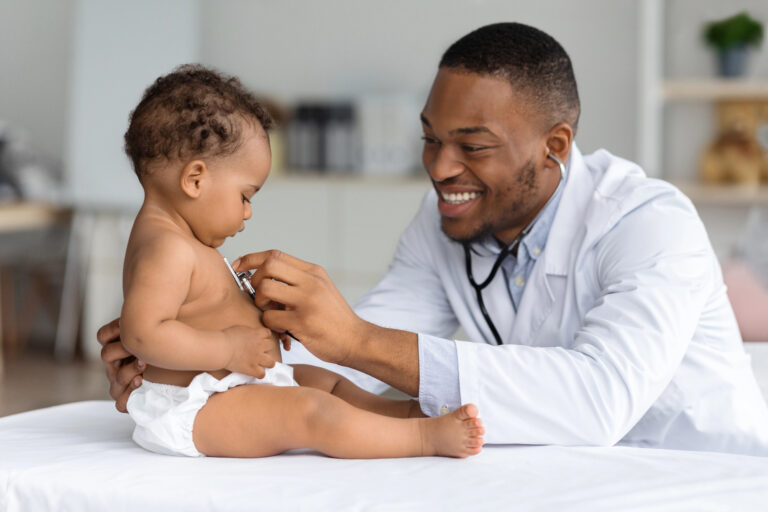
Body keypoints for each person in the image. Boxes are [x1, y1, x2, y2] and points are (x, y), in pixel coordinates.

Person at [100, 23, 768, 456]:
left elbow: (597, 403)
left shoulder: (652, 224)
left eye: (471, 146)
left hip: (698, 468)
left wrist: (353, 339)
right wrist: (189, 362)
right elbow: (353, 358)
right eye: (430, 138)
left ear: (555, 145)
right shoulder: (447, 217)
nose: (440, 168)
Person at [114, 64, 484, 459]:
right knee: (311, 411)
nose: (248, 212)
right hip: (196, 406)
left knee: (324, 383)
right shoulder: (167, 247)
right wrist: (226, 347)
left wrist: (257, 313)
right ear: (195, 180)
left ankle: (405, 415)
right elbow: (143, 335)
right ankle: (424, 440)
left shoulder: (184, 240)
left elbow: (199, 310)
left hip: (231, 386)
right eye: (245, 196)